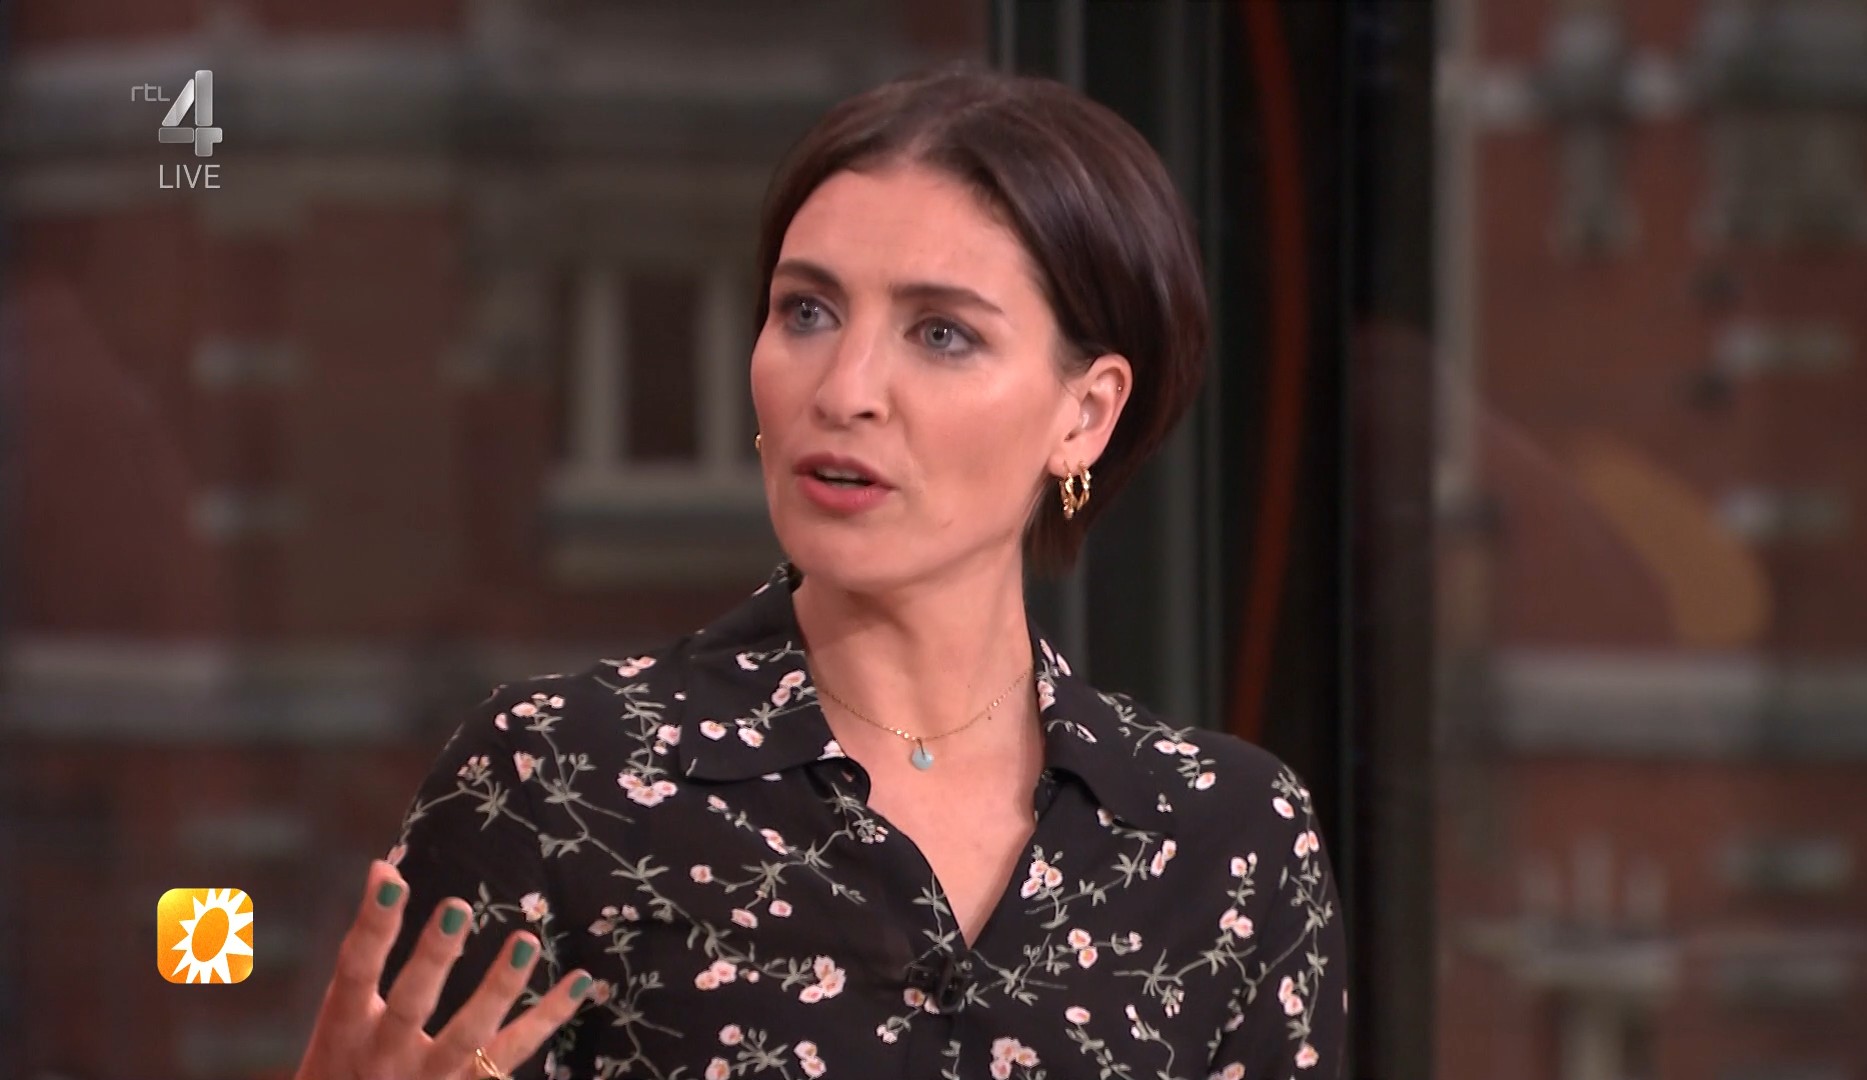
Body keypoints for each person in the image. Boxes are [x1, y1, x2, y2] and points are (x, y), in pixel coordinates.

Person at [293, 63, 1347, 1080]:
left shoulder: (1228, 839)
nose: (845, 389)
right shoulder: (558, 783)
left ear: (1086, 414)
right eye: (807, 311)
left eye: (942, 334)